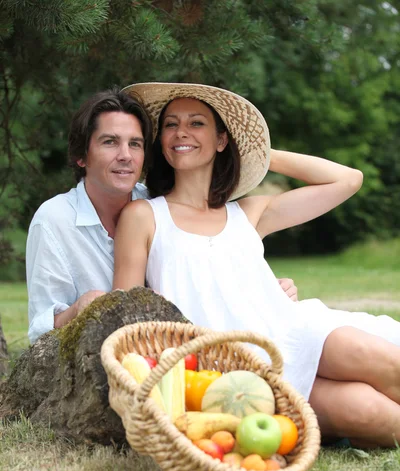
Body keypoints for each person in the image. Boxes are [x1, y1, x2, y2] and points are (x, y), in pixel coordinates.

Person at [112, 82, 400, 448]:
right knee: (367, 412)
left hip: (293, 331)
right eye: (171, 124)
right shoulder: (144, 216)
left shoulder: (249, 213)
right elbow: (124, 312)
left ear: (221, 140)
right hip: (233, 372)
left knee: (380, 359)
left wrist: (259, 153)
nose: (181, 132)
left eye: (196, 123)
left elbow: (347, 180)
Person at [26, 87, 298, 343]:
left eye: (135, 144)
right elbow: (40, 329)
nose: (125, 156)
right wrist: (78, 309)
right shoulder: (54, 220)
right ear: (81, 156)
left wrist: (260, 289)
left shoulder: (157, 204)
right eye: (110, 142)